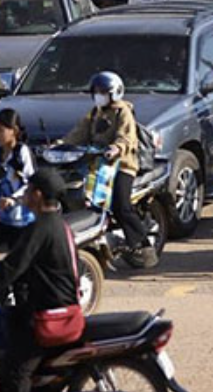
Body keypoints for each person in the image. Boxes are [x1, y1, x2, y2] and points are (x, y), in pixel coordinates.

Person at [0, 168, 81, 392]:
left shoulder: (40, 228)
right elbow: (26, 263)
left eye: (29, 190)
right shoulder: (58, 224)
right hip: (53, 303)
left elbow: (14, 266)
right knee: (5, 320)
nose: (25, 195)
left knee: (15, 372)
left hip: (50, 313)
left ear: (38, 195)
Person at [61, 71, 156, 268]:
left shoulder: (123, 112)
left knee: (121, 205)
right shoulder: (95, 113)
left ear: (115, 92)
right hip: (98, 164)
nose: (99, 95)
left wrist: (116, 148)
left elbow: (126, 137)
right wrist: (60, 145)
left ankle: (143, 244)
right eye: (96, 91)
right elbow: (78, 133)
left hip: (123, 165)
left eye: (103, 91)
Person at [0, 108, 37, 250]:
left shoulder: (21, 152)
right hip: (2, 215)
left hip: (22, 215)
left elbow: (30, 182)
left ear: (14, 131)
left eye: (0, 130)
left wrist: (13, 199)